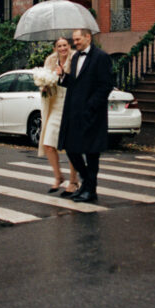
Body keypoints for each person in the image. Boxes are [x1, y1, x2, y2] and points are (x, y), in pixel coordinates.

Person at [56, 27, 114, 203]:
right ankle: (87, 184)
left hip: (92, 115)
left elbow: (106, 86)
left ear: (88, 38)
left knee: (91, 154)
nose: (75, 43)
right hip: (74, 113)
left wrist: (90, 107)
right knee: (72, 149)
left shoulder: (101, 57)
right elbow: (74, 83)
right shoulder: (74, 58)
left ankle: (91, 190)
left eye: (78, 39)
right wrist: (62, 77)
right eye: (74, 40)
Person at [38, 37, 80, 194]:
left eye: (65, 45)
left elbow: (78, 82)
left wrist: (63, 74)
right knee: (48, 144)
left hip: (70, 104)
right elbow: (46, 81)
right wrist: (43, 87)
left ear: (69, 46)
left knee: (71, 146)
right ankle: (58, 176)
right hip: (55, 104)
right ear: (55, 48)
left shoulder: (76, 59)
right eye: (59, 46)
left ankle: (73, 180)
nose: (62, 48)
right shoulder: (50, 61)